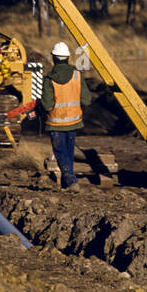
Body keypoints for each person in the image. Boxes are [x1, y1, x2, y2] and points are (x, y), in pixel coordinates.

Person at [40, 41, 91, 189]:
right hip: (74, 122)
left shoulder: (49, 79)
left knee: (61, 153)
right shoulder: (77, 75)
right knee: (68, 153)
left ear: (54, 58)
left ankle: (71, 182)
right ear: (67, 58)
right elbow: (86, 99)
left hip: (55, 123)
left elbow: (47, 105)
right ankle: (66, 183)